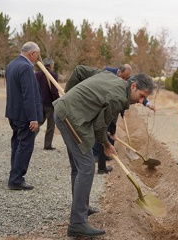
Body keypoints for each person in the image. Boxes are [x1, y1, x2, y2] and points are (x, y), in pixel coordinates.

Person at [53, 71, 154, 237]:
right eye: (141, 96)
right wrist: (106, 144)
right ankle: (77, 223)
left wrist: (68, 96)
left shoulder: (109, 75)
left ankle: (81, 209)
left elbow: (80, 70)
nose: (140, 101)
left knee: (79, 168)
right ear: (133, 86)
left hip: (67, 113)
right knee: (86, 168)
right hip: (71, 119)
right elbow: (100, 127)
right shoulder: (119, 98)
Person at [5, 41, 43, 190]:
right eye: (37, 56)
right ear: (32, 53)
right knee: (25, 145)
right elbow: (28, 94)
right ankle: (16, 179)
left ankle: (14, 173)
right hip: (24, 115)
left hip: (13, 112)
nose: (37, 59)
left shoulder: (11, 65)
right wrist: (33, 118)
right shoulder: (26, 67)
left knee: (17, 143)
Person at [35, 57, 60, 150]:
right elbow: (54, 91)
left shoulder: (37, 75)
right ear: (50, 65)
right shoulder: (52, 75)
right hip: (50, 104)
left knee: (38, 122)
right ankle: (47, 145)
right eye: (53, 65)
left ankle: (29, 139)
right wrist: (57, 101)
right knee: (51, 125)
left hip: (40, 102)